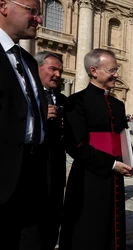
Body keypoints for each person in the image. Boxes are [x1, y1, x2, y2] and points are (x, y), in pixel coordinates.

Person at [59, 49, 133, 250]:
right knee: (88, 227)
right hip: (88, 175)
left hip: (115, 175)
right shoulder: (76, 101)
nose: (117, 74)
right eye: (112, 70)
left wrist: (130, 162)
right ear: (94, 71)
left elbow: (122, 137)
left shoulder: (118, 105)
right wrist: (111, 164)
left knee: (113, 225)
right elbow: (76, 145)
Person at [0, 0, 48, 249]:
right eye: (33, 11)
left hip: (30, 177)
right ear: (3, 6)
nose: (39, 19)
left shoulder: (28, 61)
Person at [35, 51, 67, 250]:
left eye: (60, 71)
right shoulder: (27, 95)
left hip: (56, 168)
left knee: (54, 217)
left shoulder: (63, 98)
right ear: (38, 68)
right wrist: (38, 115)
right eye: (52, 69)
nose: (57, 74)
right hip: (32, 169)